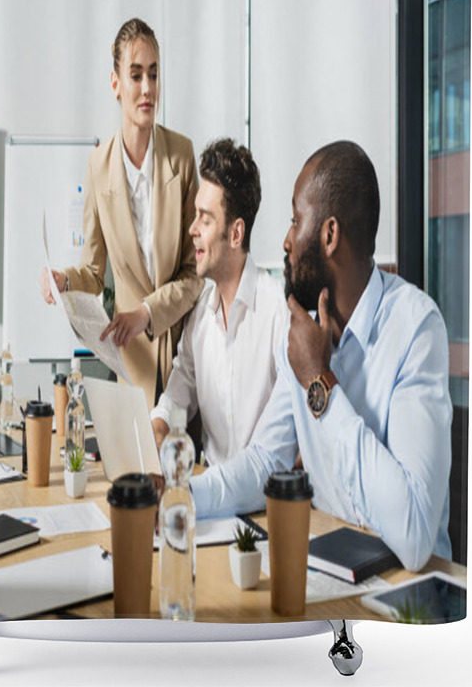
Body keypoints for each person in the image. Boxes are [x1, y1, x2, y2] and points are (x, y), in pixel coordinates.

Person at [189, 141, 453, 573]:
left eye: (296, 220)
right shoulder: (305, 331)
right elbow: (264, 462)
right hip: (331, 575)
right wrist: (181, 495)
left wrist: (320, 384)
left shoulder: (416, 328)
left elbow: (415, 535)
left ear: (329, 235)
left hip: (408, 596)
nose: (286, 241)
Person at [41, 18, 202, 411]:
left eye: (154, 74)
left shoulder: (181, 156)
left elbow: (196, 271)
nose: (147, 88)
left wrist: (147, 313)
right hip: (132, 363)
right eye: (135, 75)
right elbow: (94, 275)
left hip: (187, 352)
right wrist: (63, 279)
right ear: (115, 83)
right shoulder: (98, 167)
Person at [150, 139, 288, 465]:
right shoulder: (200, 312)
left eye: (205, 218)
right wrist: (160, 424)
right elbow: (178, 389)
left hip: (263, 501)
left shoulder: (277, 311)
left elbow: (297, 432)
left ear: (236, 234)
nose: (192, 229)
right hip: (209, 494)